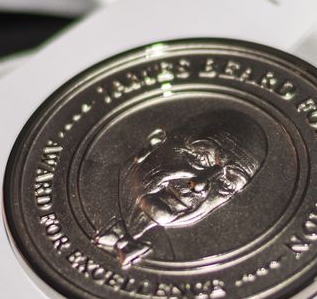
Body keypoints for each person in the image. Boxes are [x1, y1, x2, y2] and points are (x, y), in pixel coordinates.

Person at [94, 109, 268, 268]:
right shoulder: (89, 180)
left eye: (228, 184)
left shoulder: (172, 260)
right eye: (201, 157)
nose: (199, 186)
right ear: (155, 144)